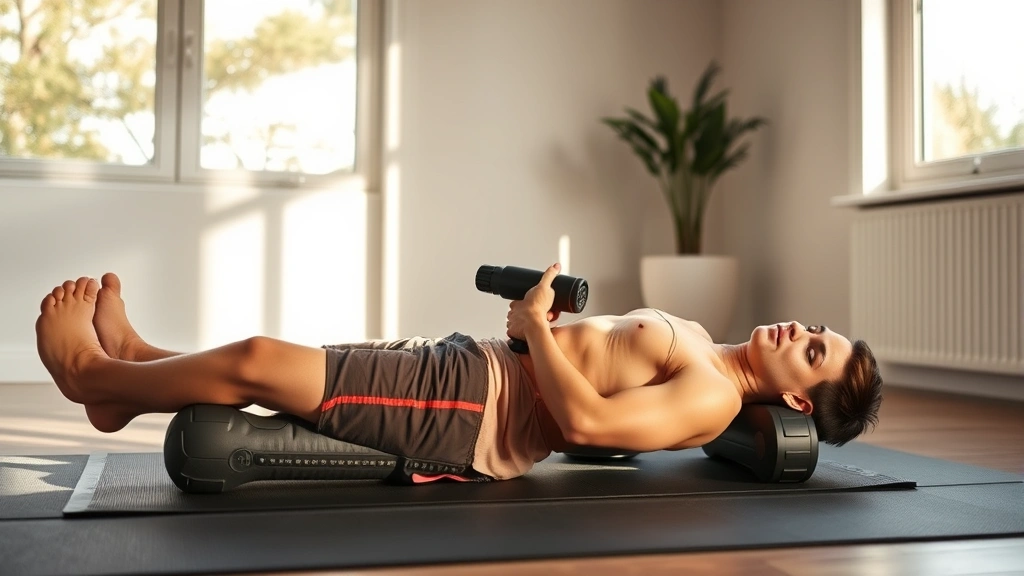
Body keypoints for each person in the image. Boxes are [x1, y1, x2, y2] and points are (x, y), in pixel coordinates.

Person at [35, 264, 882, 483]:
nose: (799, 332)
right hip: (467, 368)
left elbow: (586, 425)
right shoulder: (702, 341)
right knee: (288, 362)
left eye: (813, 351)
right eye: (816, 328)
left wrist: (534, 332)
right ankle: (137, 363)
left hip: (469, 411)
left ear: (798, 396)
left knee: (262, 360)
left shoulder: (712, 394)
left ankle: (91, 380)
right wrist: (537, 330)